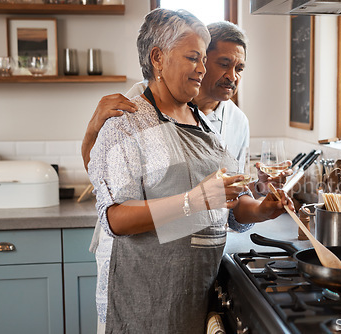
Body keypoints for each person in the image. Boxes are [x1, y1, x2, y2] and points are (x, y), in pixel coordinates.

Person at [87, 8, 293, 334]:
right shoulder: (128, 116)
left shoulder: (205, 123)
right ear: (158, 58)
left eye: (203, 59)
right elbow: (115, 218)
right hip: (146, 294)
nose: (203, 68)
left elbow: (228, 204)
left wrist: (265, 208)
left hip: (195, 292)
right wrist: (194, 199)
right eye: (194, 58)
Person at [81, 21, 291, 198]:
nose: (232, 76)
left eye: (239, 68)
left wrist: (259, 188)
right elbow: (101, 176)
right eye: (224, 64)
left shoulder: (238, 122)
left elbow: (229, 190)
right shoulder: (140, 100)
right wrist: (93, 129)